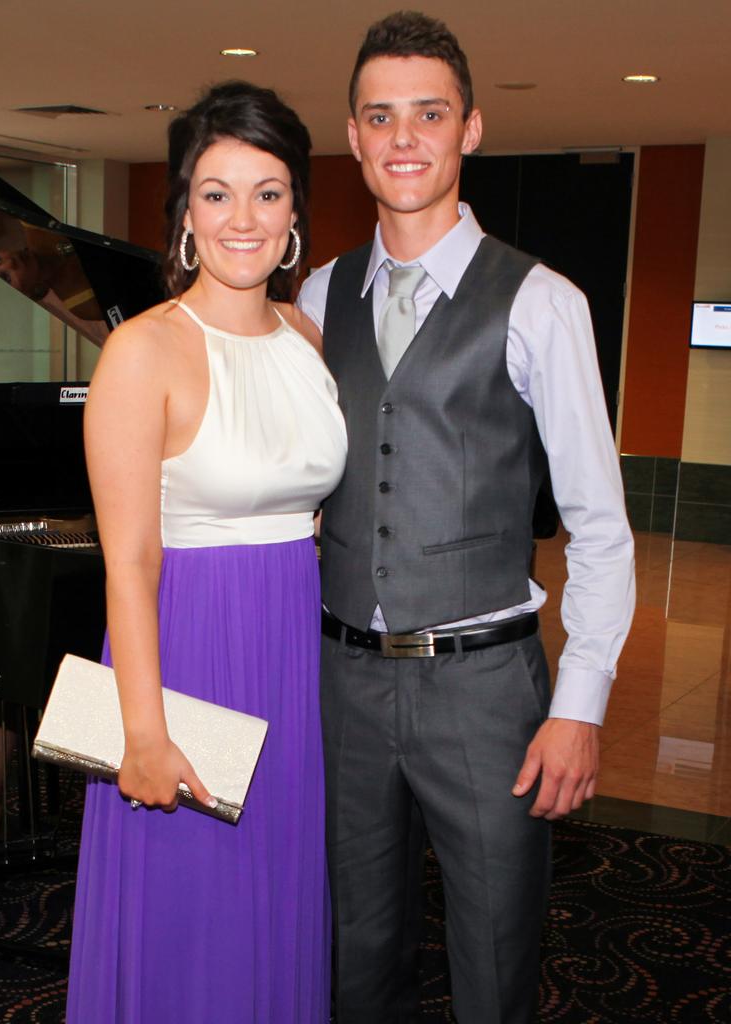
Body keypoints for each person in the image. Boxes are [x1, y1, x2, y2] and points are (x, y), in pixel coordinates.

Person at [298, 11, 635, 1024]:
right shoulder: (318, 295)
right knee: (353, 954)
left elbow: (601, 525)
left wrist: (579, 703)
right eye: (381, 117)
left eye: (428, 115)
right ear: (354, 137)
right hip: (345, 682)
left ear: (470, 129)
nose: (404, 138)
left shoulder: (542, 303)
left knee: (495, 961)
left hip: (487, 691)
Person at [66, 81, 346, 1024]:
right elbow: (130, 562)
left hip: (289, 659)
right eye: (217, 192)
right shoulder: (142, 352)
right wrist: (141, 733)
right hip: (184, 660)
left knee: (274, 907)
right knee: (192, 925)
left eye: (267, 192)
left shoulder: (305, 338)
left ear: (295, 211)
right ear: (185, 210)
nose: (243, 218)